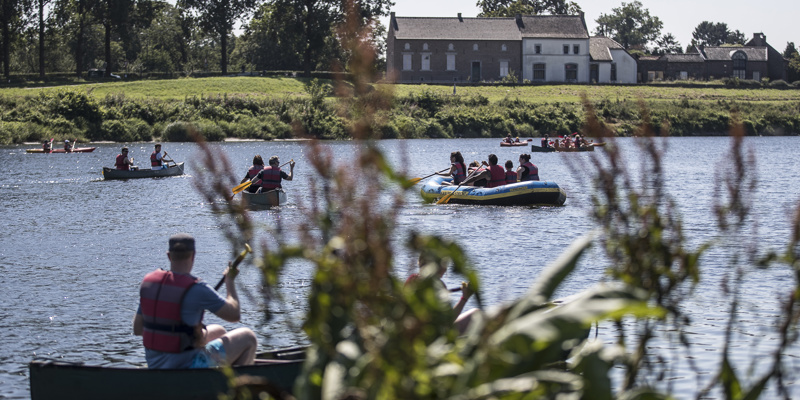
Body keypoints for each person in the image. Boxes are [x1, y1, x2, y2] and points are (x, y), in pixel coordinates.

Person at [133, 233, 257, 369]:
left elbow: (138, 329)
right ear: (193, 255)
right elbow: (234, 315)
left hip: (155, 363)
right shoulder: (198, 289)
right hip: (186, 366)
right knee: (248, 337)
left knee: (219, 331)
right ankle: (235, 387)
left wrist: (190, 335)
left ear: (169, 256)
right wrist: (230, 282)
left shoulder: (149, 283)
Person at [405, 253, 476, 334]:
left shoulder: (412, 279)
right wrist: (464, 298)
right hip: (432, 335)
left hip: (410, 333)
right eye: (444, 264)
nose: (446, 269)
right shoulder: (439, 286)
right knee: (475, 314)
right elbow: (448, 321)